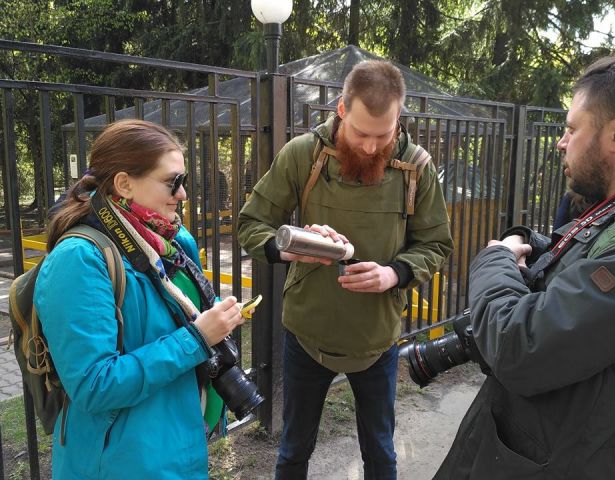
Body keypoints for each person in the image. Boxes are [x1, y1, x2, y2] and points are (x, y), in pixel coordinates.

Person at [238, 60, 453, 479]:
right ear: (341, 109)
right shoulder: (304, 154)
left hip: (377, 338)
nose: (372, 147)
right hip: (308, 332)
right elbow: (252, 224)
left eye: (384, 135)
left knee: (380, 453)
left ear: (399, 119)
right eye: (360, 133)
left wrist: (395, 274)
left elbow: (436, 244)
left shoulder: (417, 168)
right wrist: (293, 247)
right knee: (293, 451)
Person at [434, 54, 615, 479]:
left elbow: (518, 343)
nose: (561, 143)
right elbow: (591, 261)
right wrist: (533, 243)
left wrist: (496, 256)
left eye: (571, 128)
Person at [34, 119, 246, 479]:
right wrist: (196, 338)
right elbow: (93, 385)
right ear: (124, 183)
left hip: (177, 448)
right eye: (172, 182)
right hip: (120, 462)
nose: (183, 195)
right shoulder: (78, 260)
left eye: (184, 181)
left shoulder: (173, 244)